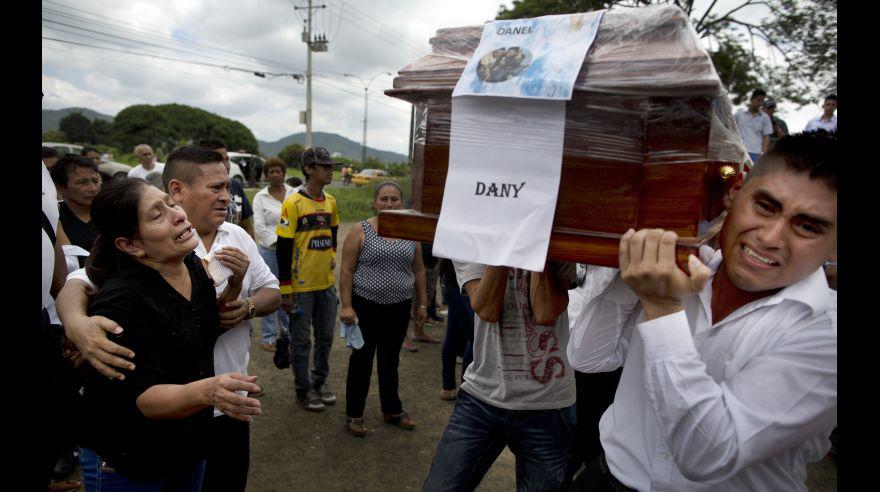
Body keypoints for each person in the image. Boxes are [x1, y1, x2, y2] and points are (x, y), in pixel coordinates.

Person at [567, 131, 837, 491]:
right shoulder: (686, 269)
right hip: (607, 478)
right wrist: (637, 273)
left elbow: (707, 454)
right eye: (765, 207)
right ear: (735, 191)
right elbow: (588, 358)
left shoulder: (827, 331)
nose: (771, 237)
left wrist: (662, 308)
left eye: (806, 226)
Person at [56, 146, 281, 492]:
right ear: (131, 246)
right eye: (157, 214)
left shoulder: (191, 263)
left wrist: (236, 286)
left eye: (170, 206)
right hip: (131, 455)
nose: (177, 216)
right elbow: (142, 396)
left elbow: (208, 323)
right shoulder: (123, 299)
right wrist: (210, 390)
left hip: (188, 439)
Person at [422, 260, 578, 491]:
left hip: (547, 404)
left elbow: (545, 312)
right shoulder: (473, 237)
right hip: (482, 396)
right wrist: (508, 246)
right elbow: (487, 309)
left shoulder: (557, 242)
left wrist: (534, 245)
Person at [340, 181, 428, 436]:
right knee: (362, 360)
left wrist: (422, 304)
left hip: (399, 308)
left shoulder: (410, 231)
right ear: (374, 202)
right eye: (384, 199)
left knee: (390, 360)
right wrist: (346, 306)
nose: (389, 203)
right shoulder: (361, 230)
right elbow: (346, 270)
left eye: (394, 199)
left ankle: (392, 409)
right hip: (365, 306)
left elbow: (419, 269)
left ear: (402, 202)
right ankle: (354, 413)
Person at [276, 146, 340, 412]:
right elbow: (282, 249)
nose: (329, 171)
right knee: (302, 343)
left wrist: (332, 254)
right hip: (301, 289)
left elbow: (334, 231)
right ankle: (302, 389)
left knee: (325, 339)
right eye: (324, 166)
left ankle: (319, 382)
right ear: (309, 169)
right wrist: (286, 290)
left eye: (330, 166)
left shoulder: (331, 201)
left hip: (326, 286)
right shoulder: (293, 203)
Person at [252, 157, 297, 351]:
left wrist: (289, 243)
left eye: (279, 170)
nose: (275, 174)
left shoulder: (295, 194)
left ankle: (287, 333)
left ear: (284, 173)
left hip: (292, 252)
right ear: (266, 174)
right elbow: (259, 227)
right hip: (269, 251)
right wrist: (281, 241)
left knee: (288, 290)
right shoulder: (260, 197)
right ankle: (269, 337)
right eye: (271, 171)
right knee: (270, 291)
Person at [196, 138, 256, 240]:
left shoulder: (236, 185)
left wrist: (251, 251)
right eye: (218, 160)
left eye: (227, 159)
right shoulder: (198, 190)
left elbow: (247, 225)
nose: (226, 165)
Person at [50, 155, 101, 264]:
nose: (93, 189)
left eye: (95, 181)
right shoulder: (54, 220)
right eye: (83, 182)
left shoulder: (112, 213)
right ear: (61, 188)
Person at [437, 258, 474, 401]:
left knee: (452, 336)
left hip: (453, 283)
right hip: (460, 285)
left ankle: (448, 387)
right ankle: (466, 390)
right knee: (477, 339)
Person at [734, 89, 773, 164]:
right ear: (752, 99)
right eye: (758, 100)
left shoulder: (765, 118)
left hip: (756, 153)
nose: (760, 103)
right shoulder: (739, 115)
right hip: (739, 151)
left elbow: (766, 137)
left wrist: (763, 153)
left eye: (762, 101)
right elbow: (730, 129)